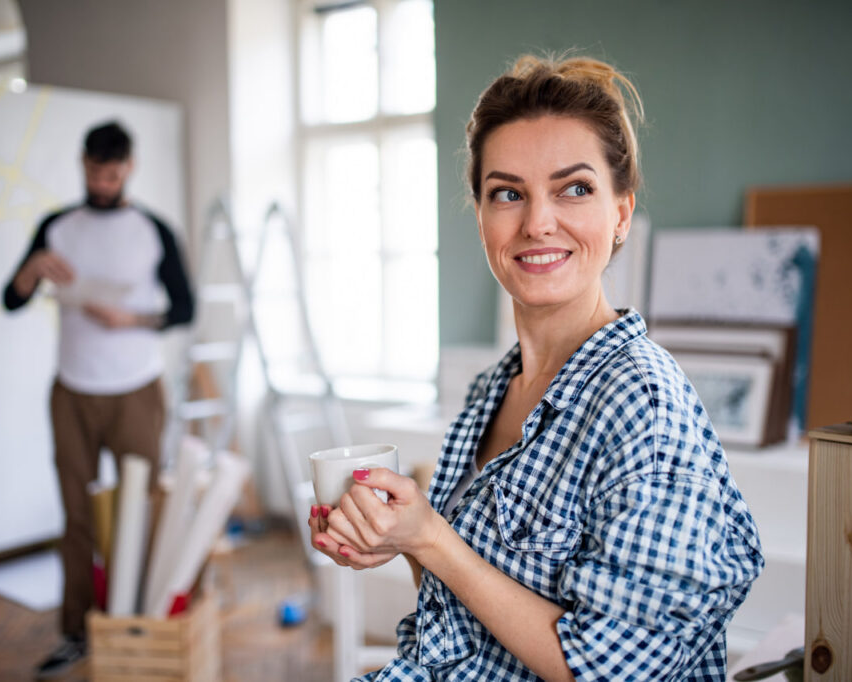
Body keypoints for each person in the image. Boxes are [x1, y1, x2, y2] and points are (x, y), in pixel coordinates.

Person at [308, 54, 764, 681]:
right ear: (480, 216)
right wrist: (399, 538)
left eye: (574, 189)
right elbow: (466, 617)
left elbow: (618, 672)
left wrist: (433, 538)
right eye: (507, 194)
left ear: (622, 212)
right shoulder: (493, 389)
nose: (537, 222)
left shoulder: (642, 402)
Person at [1, 121, 194, 679]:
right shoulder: (57, 226)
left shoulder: (153, 229)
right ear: (83, 164)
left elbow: (184, 309)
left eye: (112, 173)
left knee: (141, 509)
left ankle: (141, 625)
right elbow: (10, 300)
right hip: (72, 390)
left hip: (136, 389)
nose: (102, 182)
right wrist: (32, 270)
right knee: (77, 517)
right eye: (94, 171)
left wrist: (129, 318)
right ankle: (74, 631)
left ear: (129, 168)